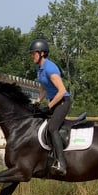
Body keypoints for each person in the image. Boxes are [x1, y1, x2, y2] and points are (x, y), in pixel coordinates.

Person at [29, 38, 71, 175]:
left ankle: (61, 163)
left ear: (41, 53)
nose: (32, 56)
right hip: (54, 101)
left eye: (33, 53)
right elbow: (43, 88)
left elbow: (62, 91)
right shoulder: (39, 68)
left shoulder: (50, 68)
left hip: (62, 101)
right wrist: (37, 102)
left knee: (52, 128)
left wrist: (49, 106)